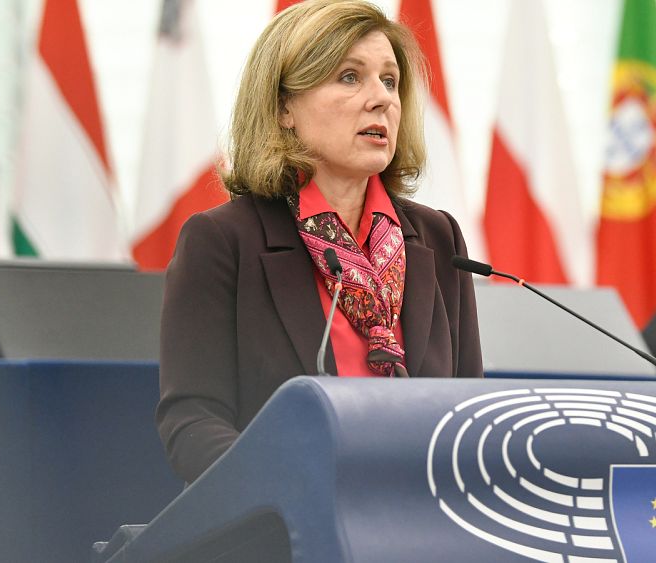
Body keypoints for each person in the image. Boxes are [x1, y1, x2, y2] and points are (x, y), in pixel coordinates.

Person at [156, 0, 483, 484]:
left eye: (390, 81)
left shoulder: (438, 239)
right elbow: (193, 422)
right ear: (284, 108)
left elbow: (471, 415)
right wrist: (297, 491)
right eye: (350, 77)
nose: (382, 99)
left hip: (420, 514)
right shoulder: (223, 242)